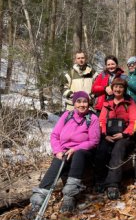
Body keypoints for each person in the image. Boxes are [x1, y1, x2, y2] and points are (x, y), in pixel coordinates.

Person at [27, 91, 100, 219]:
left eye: (85, 102)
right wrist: (58, 151)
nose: (82, 104)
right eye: (79, 101)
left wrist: (75, 148)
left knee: (79, 154)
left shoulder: (92, 118)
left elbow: (94, 141)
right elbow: (55, 135)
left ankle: (69, 196)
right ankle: (37, 202)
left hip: (84, 153)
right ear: (74, 103)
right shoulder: (67, 115)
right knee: (56, 164)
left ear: (88, 103)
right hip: (64, 151)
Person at [94, 78, 136, 200]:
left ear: (124, 89)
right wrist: (104, 134)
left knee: (118, 150)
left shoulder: (129, 102)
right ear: (112, 88)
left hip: (125, 136)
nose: (118, 89)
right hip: (108, 134)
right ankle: (100, 181)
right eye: (115, 87)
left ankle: (113, 185)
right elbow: (102, 120)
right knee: (101, 151)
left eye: (120, 87)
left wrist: (124, 134)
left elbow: (134, 122)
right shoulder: (107, 103)